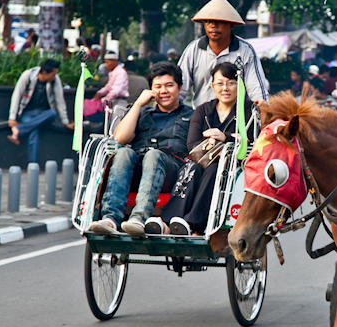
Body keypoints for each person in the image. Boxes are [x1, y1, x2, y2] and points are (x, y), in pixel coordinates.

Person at [145, 62, 254, 235]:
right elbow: (192, 144)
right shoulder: (203, 110)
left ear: (239, 85)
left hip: (233, 167)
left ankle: (193, 223)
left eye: (231, 83)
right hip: (202, 160)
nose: (225, 88)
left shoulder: (249, 111)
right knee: (191, 167)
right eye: (220, 83)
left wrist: (224, 138)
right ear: (212, 86)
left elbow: (252, 141)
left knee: (214, 170)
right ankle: (168, 221)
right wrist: (211, 145)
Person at [88, 62, 193, 237]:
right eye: (157, 86)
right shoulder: (142, 113)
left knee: (153, 155)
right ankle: (110, 218)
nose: (163, 91)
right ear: (151, 89)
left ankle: (138, 218)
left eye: (169, 85)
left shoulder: (191, 115)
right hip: (138, 170)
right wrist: (137, 105)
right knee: (123, 153)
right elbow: (120, 138)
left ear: (179, 88)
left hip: (172, 173)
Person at [178, 0, 268, 107]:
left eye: (219, 22)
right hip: (201, 118)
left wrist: (261, 107)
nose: (213, 26)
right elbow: (179, 88)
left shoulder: (246, 51)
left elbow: (257, 92)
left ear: (231, 25)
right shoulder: (193, 50)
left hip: (236, 120)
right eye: (209, 21)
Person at [7, 58, 74, 163]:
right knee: (33, 131)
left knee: (52, 113)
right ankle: (32, 165)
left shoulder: (55, 80)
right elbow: (17, 95)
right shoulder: (28, 75)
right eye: (52, 74)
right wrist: (12, 117)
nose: (54, 77)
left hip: (44, 113)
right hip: (27, 112)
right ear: (44, 72)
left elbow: (59, 100)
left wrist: (65, 121)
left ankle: (18, 129)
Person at [84, 52, 130, 121]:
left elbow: (116, 91)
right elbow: (108, 86)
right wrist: (100, 93)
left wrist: (104, 99)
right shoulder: (113, 72)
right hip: (113, 101)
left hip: (119, 102)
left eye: (107, 62)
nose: (106, 65)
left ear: (114, 62)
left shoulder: (121, 73)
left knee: (115, 125)